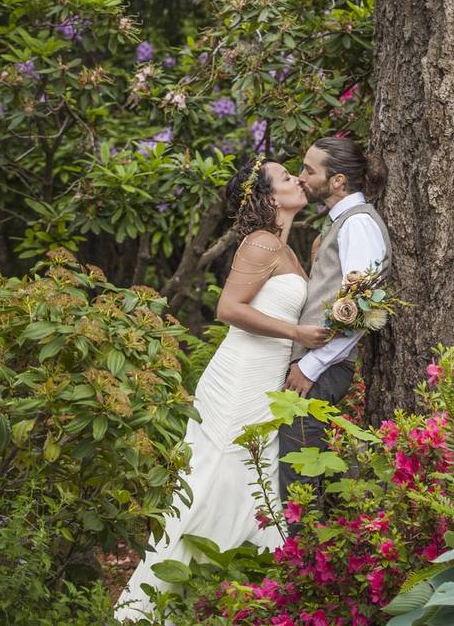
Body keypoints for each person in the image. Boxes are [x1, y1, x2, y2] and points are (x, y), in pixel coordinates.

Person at [115, 157, 329, 621]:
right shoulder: (260, 242)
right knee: (214, 478)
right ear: (271, 197)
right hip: (239, 376)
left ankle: (240, 596)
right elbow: (227, 308)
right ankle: (146, 609)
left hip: (266, 379)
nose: (297, 178)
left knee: (257, 478)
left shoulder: (287, 247)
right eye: (286, 177)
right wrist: (297, 336)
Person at [279, 136, 391, 504]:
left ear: (338, 181)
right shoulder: (343, 222)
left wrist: (311, 366)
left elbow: (360, 307)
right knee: (298, 465)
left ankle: (302, 554)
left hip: (325, 367)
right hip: (319, 364)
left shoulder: (357, 224)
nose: (302, 177)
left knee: (299, 473)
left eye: (309, 171)